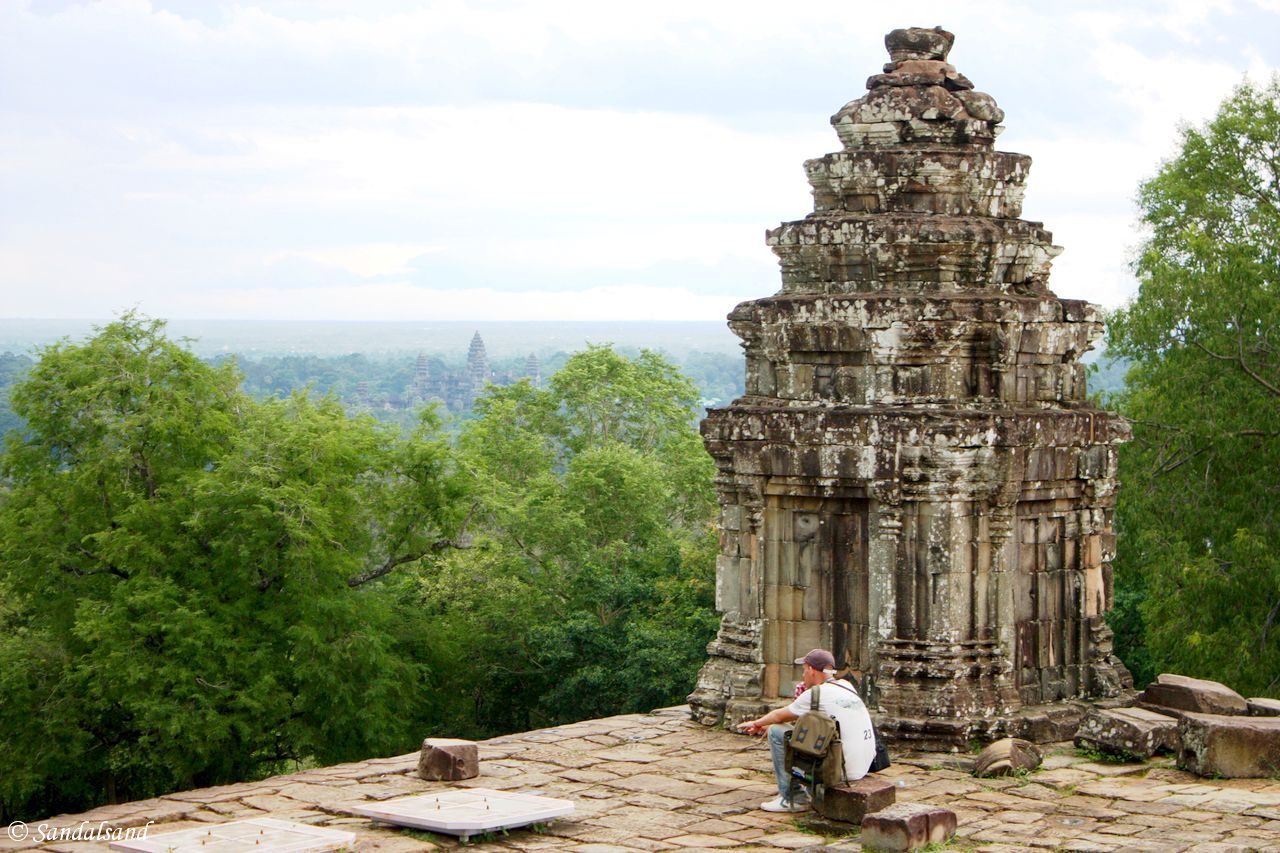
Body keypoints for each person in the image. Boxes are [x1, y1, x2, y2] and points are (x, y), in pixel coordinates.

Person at [737, 648, 876, 813]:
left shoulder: (816, 693)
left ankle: (793, 797)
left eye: (803, 670)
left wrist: (756, 723)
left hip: (841, 770)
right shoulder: (846, 686)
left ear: (811, 670)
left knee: (776, 731)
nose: (803, 675)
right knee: (793, 733)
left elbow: (778, 717)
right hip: (862, 765)